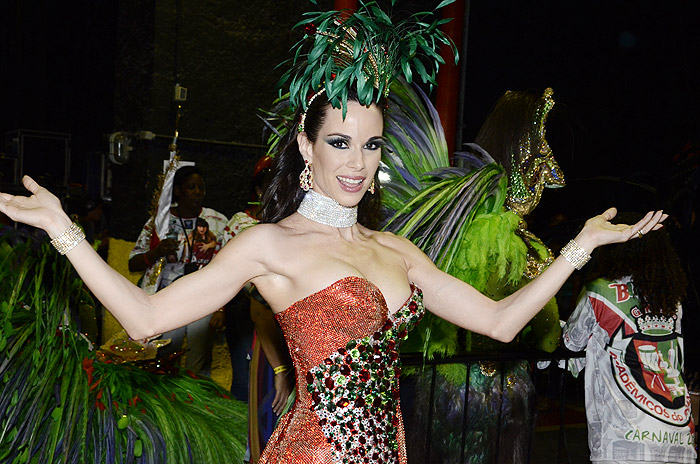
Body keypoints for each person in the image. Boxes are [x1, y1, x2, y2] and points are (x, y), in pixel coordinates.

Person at [0, 3, 668, 463]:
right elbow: (145, 317)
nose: (356, 162)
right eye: (341, 142)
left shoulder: (394, 249)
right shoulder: (270, 244)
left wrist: (579, 247)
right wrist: (66, 231)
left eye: (371, 146)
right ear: (306, 145)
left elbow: (497, 321)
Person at [562, 212, 696, 464]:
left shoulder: (600, 291)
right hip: (678, 437)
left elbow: (571, 342)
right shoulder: (672, 301)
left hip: (624, 439)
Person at [128, 165, 228, 375]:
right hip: (168, 296)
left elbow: (229, 266)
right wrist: (156, 253)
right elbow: (133, 263)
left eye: (201, 187)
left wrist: (220, 309)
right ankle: (166, 401)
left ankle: (197, 402)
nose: (198, 192)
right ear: (178, 191)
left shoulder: (217, 221)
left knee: (198, 358)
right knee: (165, 352)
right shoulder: (160, 222)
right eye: (191, 187)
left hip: (204, 296)